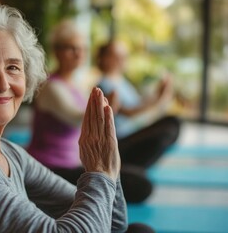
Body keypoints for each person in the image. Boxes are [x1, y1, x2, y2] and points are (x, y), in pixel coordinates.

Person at [0, 1, 154, 233]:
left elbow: (112, 223)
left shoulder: (10, 153)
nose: (2, 83)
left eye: (13, 67)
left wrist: (108, 166)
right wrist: (100, 172)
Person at [27, 20, 153, 204]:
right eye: (71, 48)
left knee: (137, 174)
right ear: (56, 51)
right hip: (52, 169)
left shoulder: (78, 85)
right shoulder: (51, 86)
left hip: (78, 164)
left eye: (82, 49)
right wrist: (105, 106)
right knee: (140, 184)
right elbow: (77, 119)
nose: (78, 54)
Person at [96, 40, 181, 169]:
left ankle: (135, 169)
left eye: (125, 56)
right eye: (118, 56)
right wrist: (158, 99)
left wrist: (159, 95)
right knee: (172, 124)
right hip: (120, 142)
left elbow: (139, 105)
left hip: (132, 133)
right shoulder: (104, 84)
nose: (123, 60)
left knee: (172, 124)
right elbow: (129, 112)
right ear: (105, 58)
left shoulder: (123, 82)